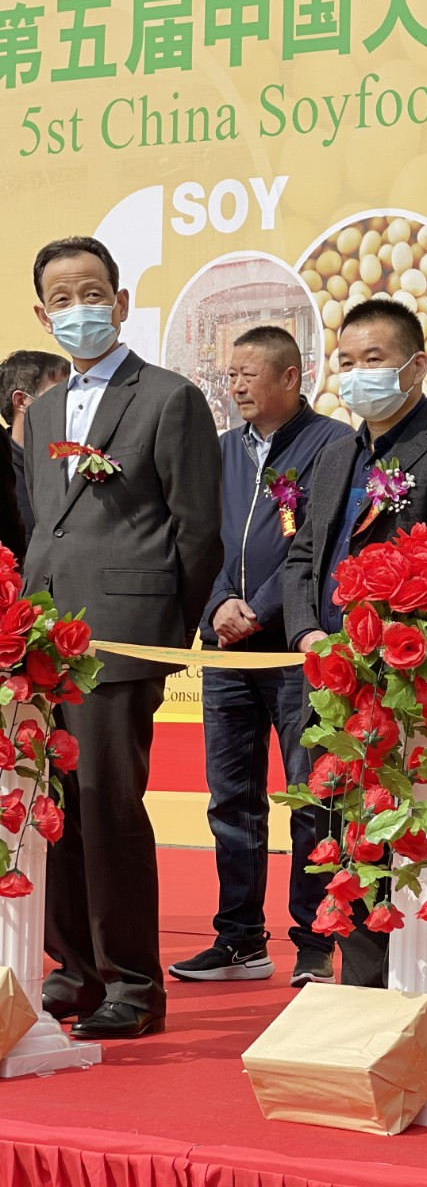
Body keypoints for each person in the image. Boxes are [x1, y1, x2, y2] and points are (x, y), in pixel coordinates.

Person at [26, 235, 223, 1038]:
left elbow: (197, 531)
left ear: (121, 302)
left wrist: (160, 631)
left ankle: (133, 985)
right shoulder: (41, 411)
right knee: (52, 809)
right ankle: (72, 970)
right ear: (42, 315)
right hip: (43, 644)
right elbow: (46, 526)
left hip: (124, 638)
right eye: (62, 299)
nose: (79, 309)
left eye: (92, 294)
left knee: (109, 809)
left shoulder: (169, 398)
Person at [282, 297, 427, 987]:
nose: (357, 375)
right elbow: (303, 557)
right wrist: (308, 631)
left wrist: (374, 642)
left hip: (404, 682)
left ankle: (409, 993)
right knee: (337, 826)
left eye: (373, 360)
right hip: (328, 676)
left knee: (400, 829)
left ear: (416, 366)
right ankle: (361, 984)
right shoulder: (333, 453)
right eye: (346, 362)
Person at [168, 327, 346, 990]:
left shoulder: (332, 445)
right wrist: (217, 603)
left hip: (296, 649)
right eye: (231, 375)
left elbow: (314, 546)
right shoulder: (220, 451)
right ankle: (239, 939)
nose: (235, 385)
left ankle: (315, 941)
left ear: (290, 376)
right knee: (231, 799)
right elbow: (199, 535)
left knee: (311, 798)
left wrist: (262, 610)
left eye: (248, 373)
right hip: (226, 651)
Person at [1, 349, 67, 556]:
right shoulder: (4, 465)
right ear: (22, 401)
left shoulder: (75, 464)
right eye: (60, 394)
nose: (73, 405)